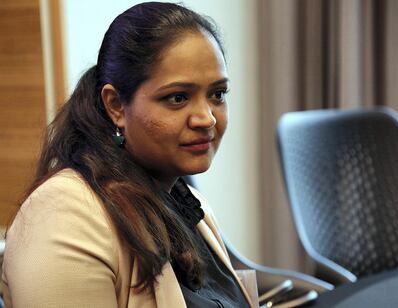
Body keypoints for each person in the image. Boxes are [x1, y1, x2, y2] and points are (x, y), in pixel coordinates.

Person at [2, 2, 253, 307]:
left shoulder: (185, 201)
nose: (207, 118)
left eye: (217, 94)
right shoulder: (63, 217)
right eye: (177, 97)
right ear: (116, 106)